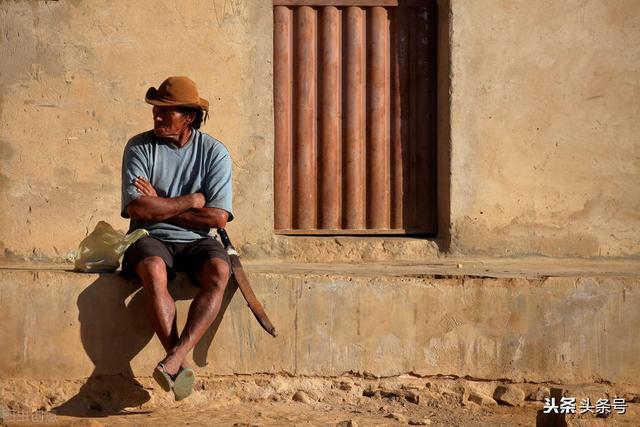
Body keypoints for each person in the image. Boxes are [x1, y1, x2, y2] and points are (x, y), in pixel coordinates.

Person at [120, 76, 233, 401]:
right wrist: (191, 200)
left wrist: (162, 203)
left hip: (197, 239)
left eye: (165, 112)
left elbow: (218, 218)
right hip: (148, 235)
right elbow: (138, 207)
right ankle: (177, 363)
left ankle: (174, 358)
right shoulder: (139, 147)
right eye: (155, 110)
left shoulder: (214, 152)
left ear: (190, 117)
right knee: (154, 269)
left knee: (219, 272)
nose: (156, 117)